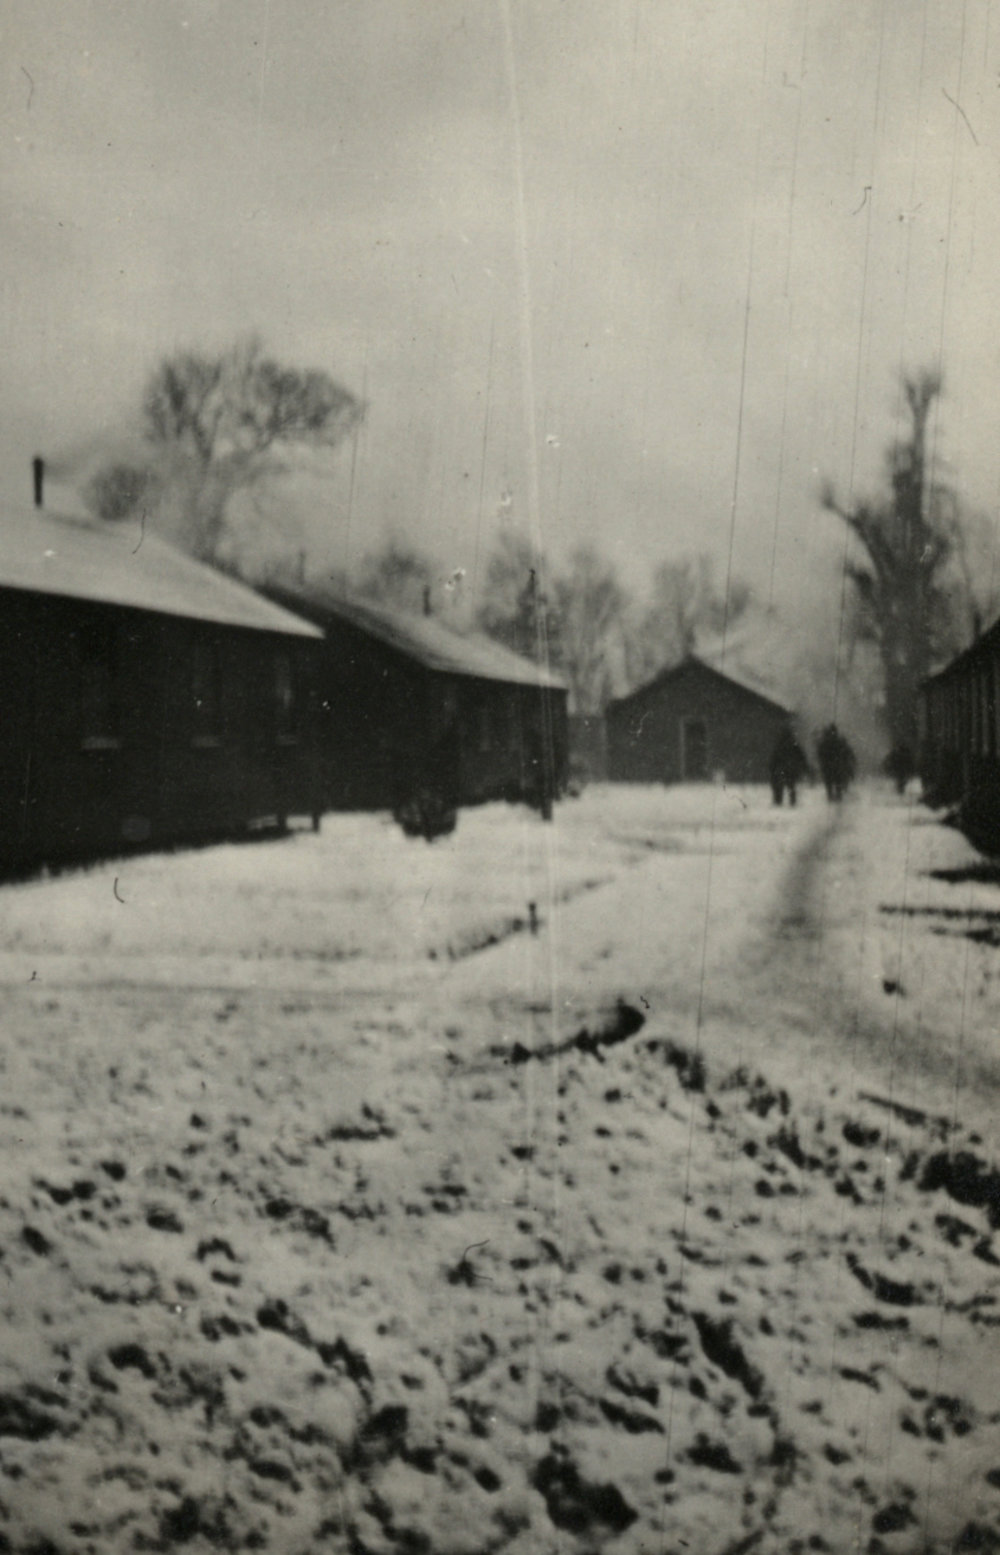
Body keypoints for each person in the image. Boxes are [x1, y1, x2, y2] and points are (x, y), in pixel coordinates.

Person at [769, 722, 809, 806]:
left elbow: (775, 757)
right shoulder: (793, 744)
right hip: (791, 768)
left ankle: (778, 801)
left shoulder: (780, 744)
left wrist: (772, 767)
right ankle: (792, 802)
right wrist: (805, 767)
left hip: (782, 768)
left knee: (779, 786)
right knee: (791, 785)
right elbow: (801, 756)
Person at [817, 723, 855, 801]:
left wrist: (823, 762)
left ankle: (830, 796)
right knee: (838, 782)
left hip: (827, 766)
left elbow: (820, 754)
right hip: (837, 765)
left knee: (829, 783)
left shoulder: (824, 742)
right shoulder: (839, 741)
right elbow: (846, 752)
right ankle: (838, 796)